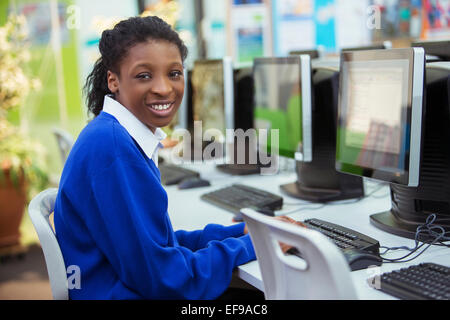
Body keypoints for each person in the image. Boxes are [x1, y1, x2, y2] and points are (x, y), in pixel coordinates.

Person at [54, 15, 301, 300]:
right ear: (113, 80)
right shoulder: (114, 150)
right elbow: (165, 279)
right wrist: (254, 246)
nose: (164, 88)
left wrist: (238, 233)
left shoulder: (113, 135)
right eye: (144, 75)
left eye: (174, 73)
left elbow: (158, 246)